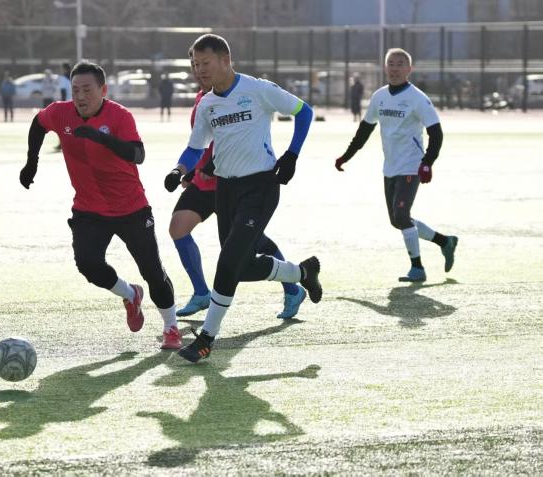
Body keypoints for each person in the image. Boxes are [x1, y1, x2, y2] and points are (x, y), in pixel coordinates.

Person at [168, 34, 321, 363]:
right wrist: (179, 169)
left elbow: (304, 111)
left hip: (260, 187)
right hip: (225, 190)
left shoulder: (258, 89)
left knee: (227, 263)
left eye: (205, 63)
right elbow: (195, 148)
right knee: (240, 266)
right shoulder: (207, 104)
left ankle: (206, 339)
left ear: (225, 60)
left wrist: (292, 155)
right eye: (195, 64)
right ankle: (301, 273)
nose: (199, 70)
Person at [19, 61, 182, 350]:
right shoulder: (60, 112)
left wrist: (102, 138)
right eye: (76, 90)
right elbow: (38, 123)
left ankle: (171, 327)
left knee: (152, 271)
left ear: (103, 90)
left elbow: (138, 154)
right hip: (89, 209)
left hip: (131, 208)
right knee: (88, 265)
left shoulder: (120, 116)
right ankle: (130, 294)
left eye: (87, 90)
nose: (80, 96)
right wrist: (32, 162)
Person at [334, 48, 458, 283]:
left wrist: (427, 163)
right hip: (390, 166)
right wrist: (346, 156)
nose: (395, 68)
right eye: (391, 63)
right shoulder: (379, 96)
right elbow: (365, 130)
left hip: (412, 165)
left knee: (401, 216)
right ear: (385, 67)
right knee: (397, 220)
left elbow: (436, 133)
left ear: (409, 69)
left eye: (400, 64)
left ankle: (417, 268)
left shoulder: (418, 98)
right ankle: (445, 241)